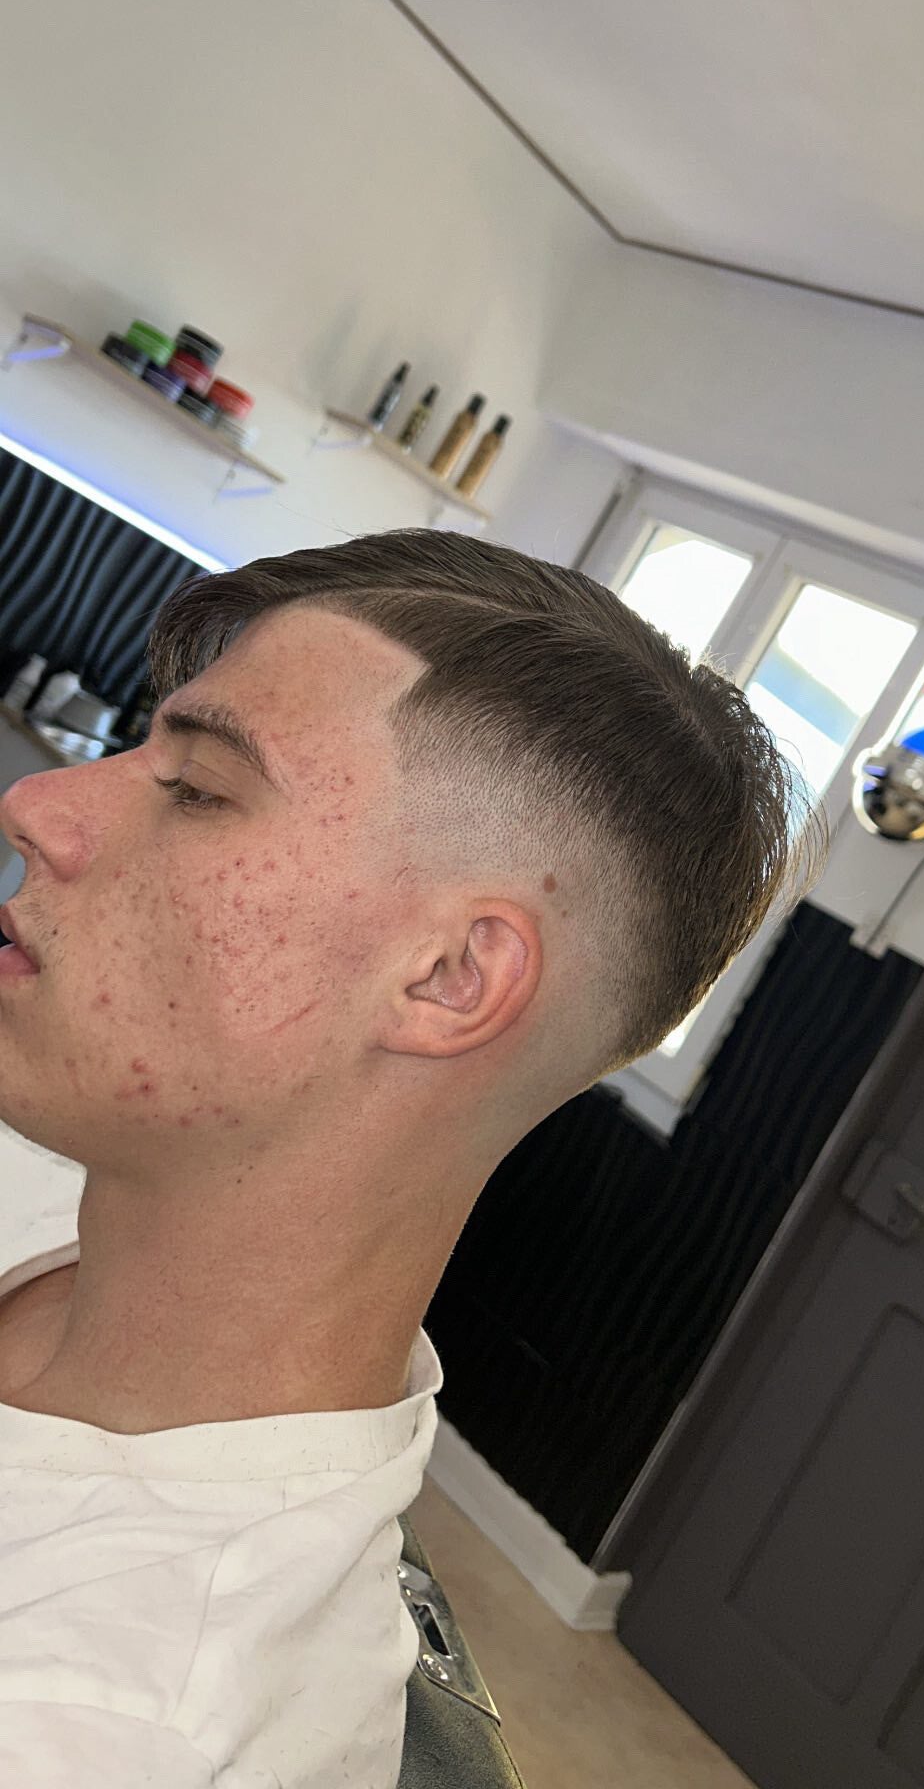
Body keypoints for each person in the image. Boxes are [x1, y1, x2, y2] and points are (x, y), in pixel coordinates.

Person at [0, 527, 819, 1786]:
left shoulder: (117, 1726)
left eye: (199, 787)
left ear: (448, 978)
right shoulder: (70, 1158)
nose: (39, 804)